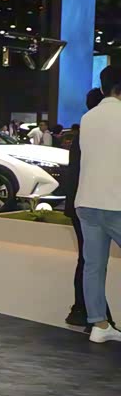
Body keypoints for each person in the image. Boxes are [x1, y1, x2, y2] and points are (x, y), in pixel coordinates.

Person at [75, 66, 121, 343]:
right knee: (93, 265)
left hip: (87, 201)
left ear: (103, 88)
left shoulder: (88, 117)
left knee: (93, 265)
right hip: (116, 202)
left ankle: (99, 325)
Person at [64, 89, 111, 329]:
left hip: (82, 202)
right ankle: (88, 312)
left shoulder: (86, 129)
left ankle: (90, 314)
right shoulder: (100, 131)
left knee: (89, 261)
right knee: (90, 262)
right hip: (98, 203)